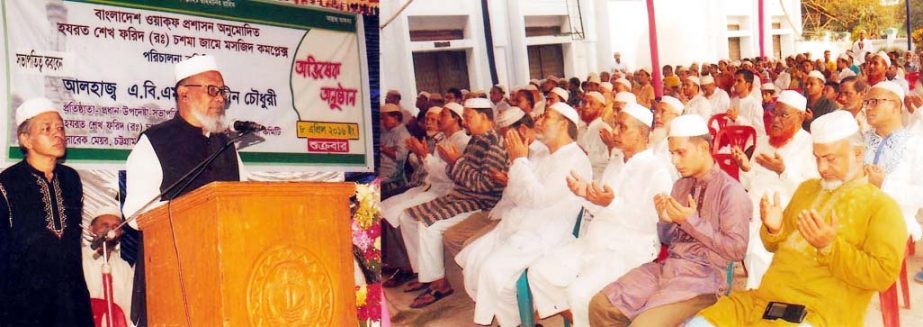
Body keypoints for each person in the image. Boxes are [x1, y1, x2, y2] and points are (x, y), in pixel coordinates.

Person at [691, 110, 906, 326]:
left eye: (830, 159)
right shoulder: (807, 189)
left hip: (817, 313)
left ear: (858, 154)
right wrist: (775, 229)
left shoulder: (882, 207)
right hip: (763, 301)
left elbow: (883, 275)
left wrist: (830, 247)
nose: (821, 168)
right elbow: (773, 245)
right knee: (699, 323)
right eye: (817, 158)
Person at [587, 115, 751, 326]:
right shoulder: (680, 186)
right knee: (601, 306)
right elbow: (668, 239)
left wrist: (690, 221)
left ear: (702, 148)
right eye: (672, 153)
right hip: (668, 269)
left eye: (681, 153)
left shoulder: (731, 191)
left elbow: (737, 250)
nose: (675, 161)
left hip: (703, 281)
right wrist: (665, 221)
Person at [122, 55, 248, 325]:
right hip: (171, 276)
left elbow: (246, 201)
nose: (220, 98)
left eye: (223, 92)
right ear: (183, 93)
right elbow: (135, 213)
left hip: (223, 274)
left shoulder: (227, 144)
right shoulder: (154, 141)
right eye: (212, 90)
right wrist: (193, 215)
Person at [527, 104, 672, 327]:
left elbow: (650, 224)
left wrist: (611, 203)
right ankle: (585, 322)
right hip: (595, 240)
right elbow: (600, 206)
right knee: (540, 272)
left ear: (642, 134)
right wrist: (586, 194)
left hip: (629, 249)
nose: (614, 132)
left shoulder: (657, 171)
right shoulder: (616, 163)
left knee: (579, 293)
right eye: (616, 125)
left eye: (622, 127)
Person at [456, 102, 591, 327]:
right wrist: (520, 163)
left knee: (493, 271)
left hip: (548, 233)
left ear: (563, 124)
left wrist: (519, 160)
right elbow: (516, 193)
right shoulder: (545, 155)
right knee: (474, 259)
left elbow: (538, 198)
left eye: (546, 117)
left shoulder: (574, 159)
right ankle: (517, 320)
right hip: (523, 225)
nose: (539, 121)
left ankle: (519, 321)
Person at [399, 98, 508, 308]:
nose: (465, 122)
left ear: (484, 117)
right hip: (460, 196)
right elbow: (457, 174)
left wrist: (455, 162)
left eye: (468, 117)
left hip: (479, 203)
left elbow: (482, 185)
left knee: (428, 225)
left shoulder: (494, 144)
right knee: (408, 216)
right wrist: (451, 163)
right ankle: (425, 273)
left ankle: (440, 284)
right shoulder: (476, 139)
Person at [0, 98, 94, 326]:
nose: (58, 134)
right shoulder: (7, 183)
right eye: (46, 129)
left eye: (60, 127)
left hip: (72, 297)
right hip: (23, 304)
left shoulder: (71, 179)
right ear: (25, 139)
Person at [730, 90, 819, 289]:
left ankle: (761, 298)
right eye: (774, 113)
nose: (775, 120)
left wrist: (783, 171)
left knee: (759, 252)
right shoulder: (764, 141)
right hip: (753, 210)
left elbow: (811, 191)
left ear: (801, 117)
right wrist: (745, 168)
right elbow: (749, 182)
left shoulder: (810, 145)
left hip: (786, 214)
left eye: (783, 115)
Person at [381, 103, 470, 288]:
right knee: (387, 209)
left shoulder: (461, 142)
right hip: (428, 187)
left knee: (403, 214)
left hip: (444, 191)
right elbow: (433, 171)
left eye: (442, 115)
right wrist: (422, 155)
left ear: (455, 119)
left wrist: (425, 156)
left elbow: (448, 175)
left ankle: (417, 272)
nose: (438, 120)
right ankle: (418, 271)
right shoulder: (444, 140)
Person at [863, 81, 923, 241]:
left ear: (896, 106)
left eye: (875, 101)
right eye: (867, 102)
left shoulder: (916, 144)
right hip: (855, 230)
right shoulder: (859, 141)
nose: (868, 107)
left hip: (895, 235)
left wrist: (884, 185)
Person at [82, 205, 135, 316]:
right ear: (91, 229)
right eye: (105, 225)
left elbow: (129, 308)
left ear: (120, 233)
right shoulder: (79, 258)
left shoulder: (124, 267)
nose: (110, 231)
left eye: (115, 227)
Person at [579, 91, 613, 182]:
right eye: (584, 102)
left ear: (601, 109)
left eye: (591, 103)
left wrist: (583, 155)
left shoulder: (604, 129)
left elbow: (608, 161)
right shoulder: (580, 129)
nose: (586, 106)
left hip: (596, 180)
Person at [379, 103, 412, 195]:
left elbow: (400, 156)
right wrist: (388, 149)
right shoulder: (387, 130)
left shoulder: (403, 134)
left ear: (396, 117)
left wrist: (383, 148)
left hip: (391, 172)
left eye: (385, 119)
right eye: (381, 119)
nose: (382, 122)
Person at [730, 69, 766, 136]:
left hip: (749, 142)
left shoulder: (755, 105)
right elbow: (729, 125)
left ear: (748, 85)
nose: (735, 84)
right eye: (734, 80)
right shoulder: (733, 101)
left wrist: (738, 119)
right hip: (733, 140)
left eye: (739, 81)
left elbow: (759, 132)